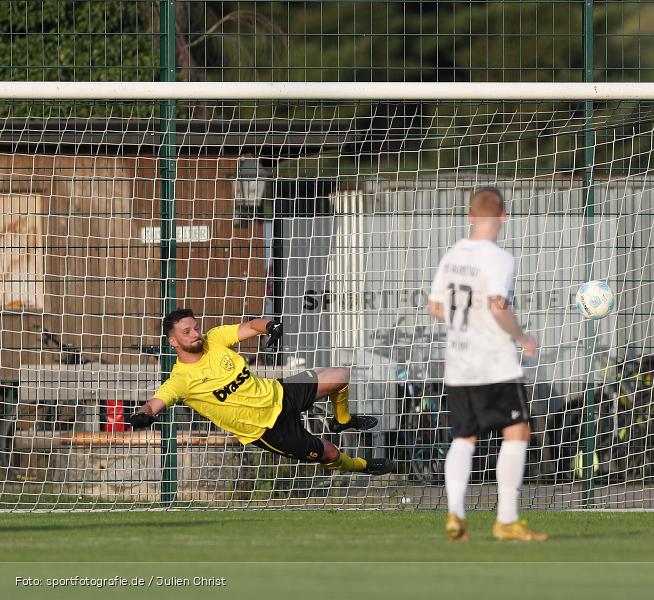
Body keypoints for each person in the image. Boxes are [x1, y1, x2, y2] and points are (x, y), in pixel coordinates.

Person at [127, 308, 393, 475]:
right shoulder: (180, 381)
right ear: (173, 341)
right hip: (267, 430)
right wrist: (143, 415)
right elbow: (154, 403)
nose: (196, 334)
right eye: (187, 332)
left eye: (196, 327)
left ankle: (342, 420)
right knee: (331, 454)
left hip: (280, 393)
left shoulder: (215, 339)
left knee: (340, 375)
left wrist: (270, 327)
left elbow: (252, 325)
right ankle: (364, 466)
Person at [428, 186, 546, 542]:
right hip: (495, 362)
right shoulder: (500, 258)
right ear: (502, 217)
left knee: (464, 437)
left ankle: (455, 513)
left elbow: (435, 307)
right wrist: (522, 338)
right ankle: (507, 519)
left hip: (459, 362)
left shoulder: (451, 256)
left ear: (469, 216)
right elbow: (497, 305)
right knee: (517, 431)